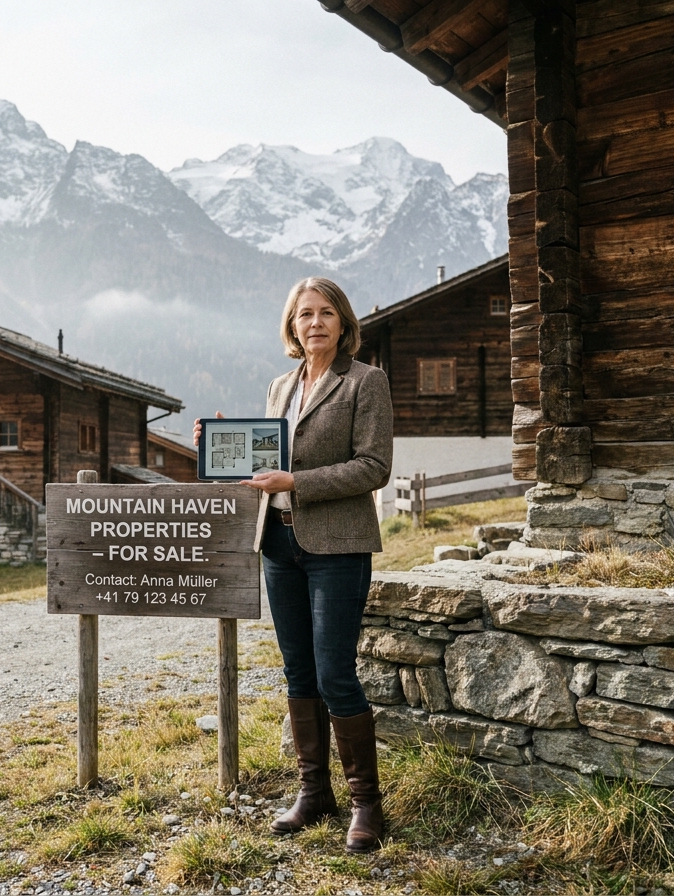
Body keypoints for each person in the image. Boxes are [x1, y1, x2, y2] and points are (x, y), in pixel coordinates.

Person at [194, 276, 392, 852]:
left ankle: (366, 805)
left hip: (337, 548)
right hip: (278, 547)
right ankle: (314, 793)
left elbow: (373, 467)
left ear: (343, 322)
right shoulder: (279, 387)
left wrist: (296, 482)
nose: (315, 323)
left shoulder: (365, 381)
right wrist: (219, 444)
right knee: (298, 674)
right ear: (292, 325)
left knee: (335, 675)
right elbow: (260, 467)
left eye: (326, 313)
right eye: (304, 314)